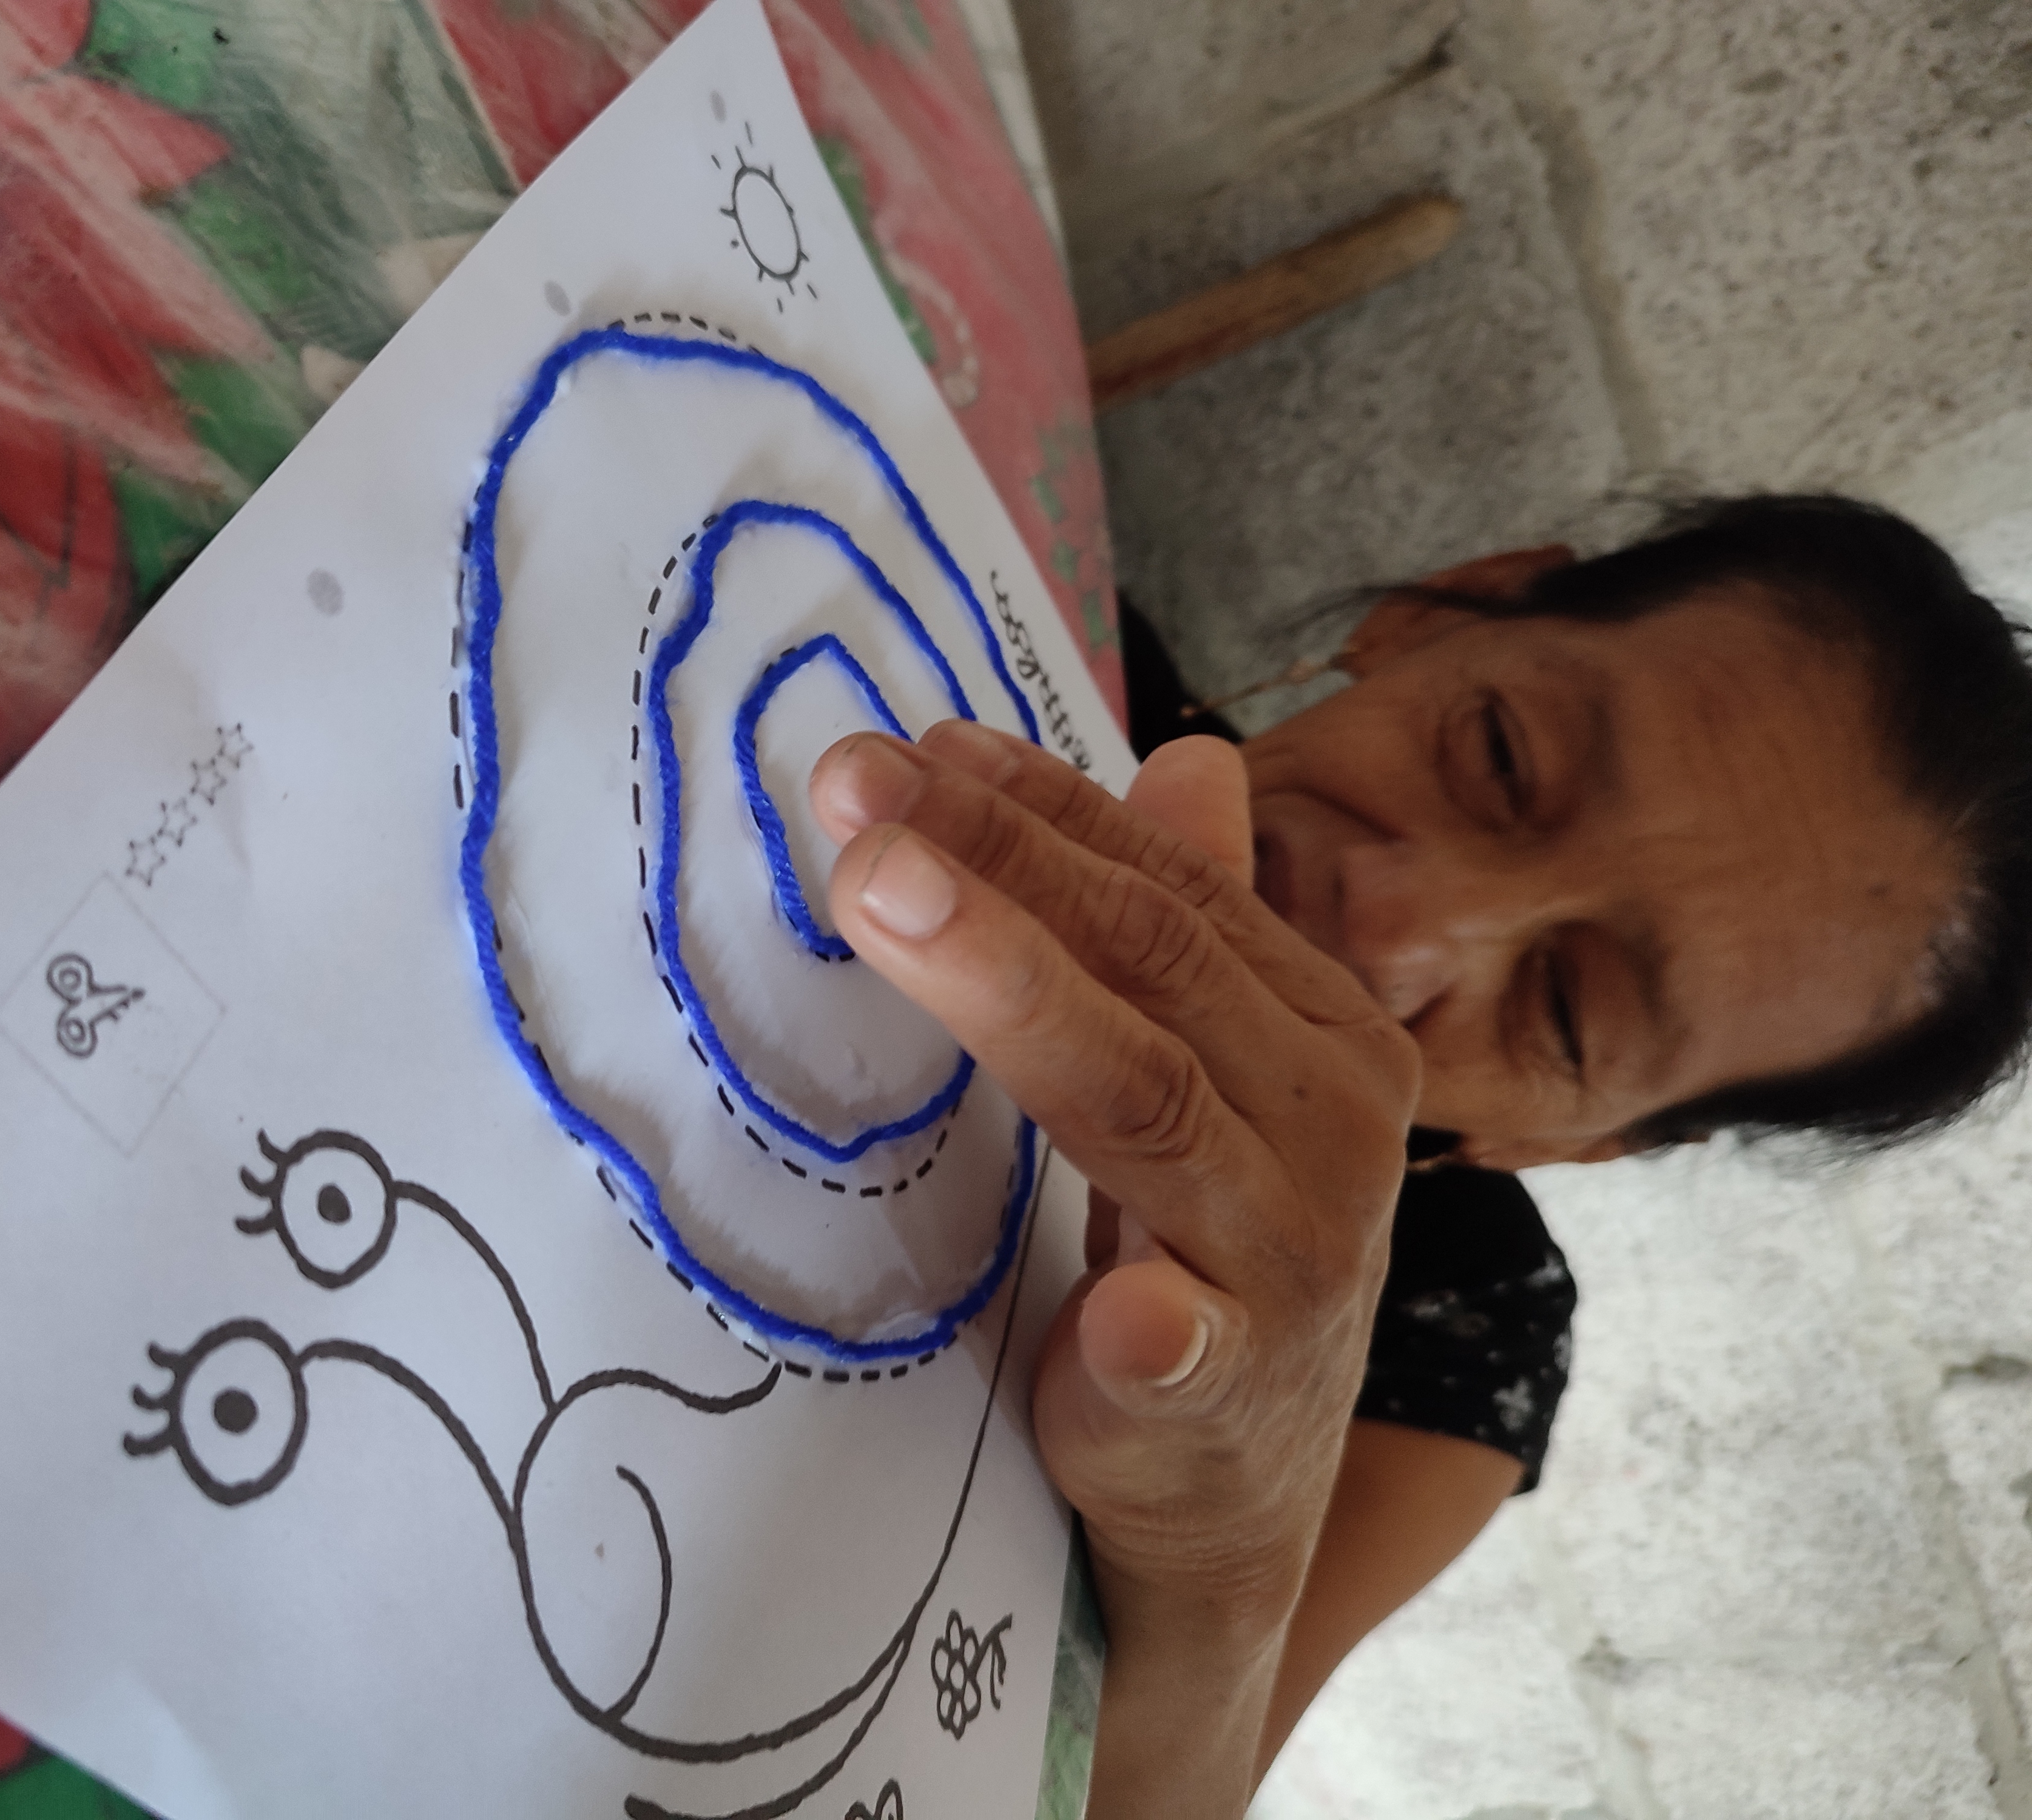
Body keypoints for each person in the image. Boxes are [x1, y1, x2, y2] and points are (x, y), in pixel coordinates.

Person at [805, 494, 2032, 1816]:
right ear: (1443, 608)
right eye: (1500, 756)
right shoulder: (1013, 620)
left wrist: (1217, 1584)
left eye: (1566, 1009)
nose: (1389, 927)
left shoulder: (1459, 1339)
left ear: (1580, 1141)